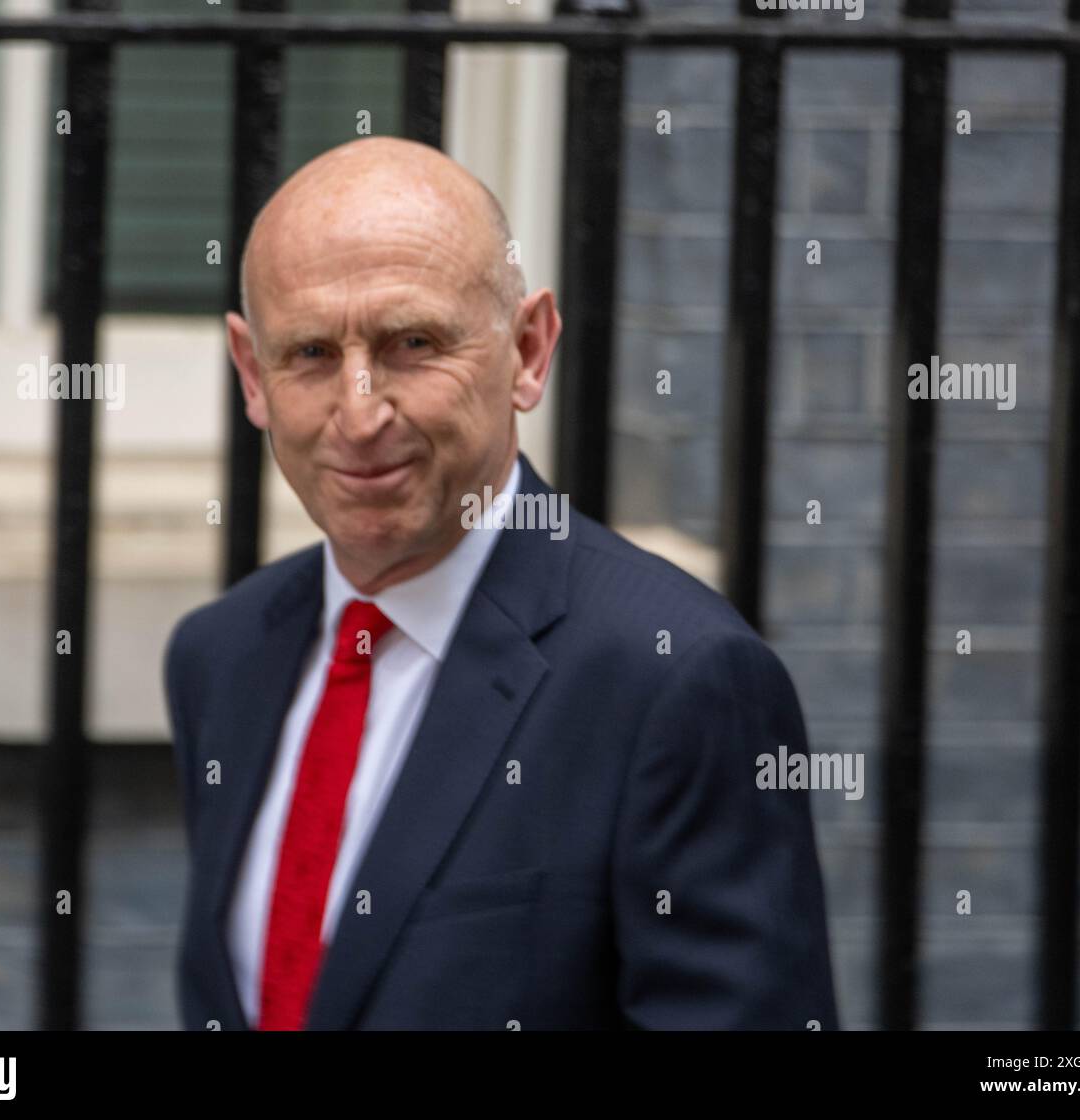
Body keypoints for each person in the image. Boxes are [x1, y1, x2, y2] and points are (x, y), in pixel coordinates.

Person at [164, 136, 838, 1030]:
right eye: (312, 354)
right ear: (253, 375)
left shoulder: (676, 679)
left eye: (412, 343)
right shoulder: (221, 654)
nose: (360, 414)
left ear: (527, 350)